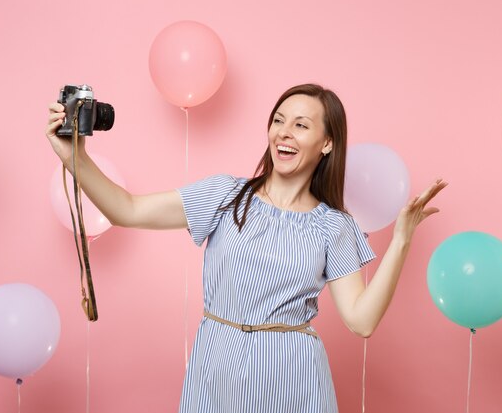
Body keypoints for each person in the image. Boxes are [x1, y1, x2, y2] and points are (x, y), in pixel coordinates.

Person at [45, 83, 446, 413]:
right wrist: (72, 154)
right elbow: (126, 210)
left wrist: (402, 239)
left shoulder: (334, 227)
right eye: (278, 121)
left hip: (294, 381)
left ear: (327, 143)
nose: (283, 132)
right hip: (216, 368)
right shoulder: (225, 195)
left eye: (301, 125)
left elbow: (361, 321)